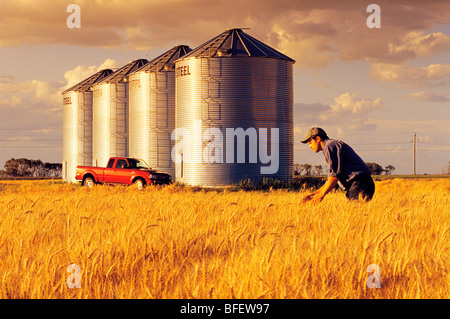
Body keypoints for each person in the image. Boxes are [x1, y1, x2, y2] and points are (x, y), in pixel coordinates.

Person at [300, 127, 375, 204]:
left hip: (360, 182)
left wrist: (321, 195)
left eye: (310, 143)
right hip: (360, 184)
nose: (310, 146)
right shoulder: (331, 146)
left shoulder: (330, 146)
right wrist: (314, 194)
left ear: (318, 138)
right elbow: (330, 179)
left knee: (354, 210)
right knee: (355, 212)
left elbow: (334, 178)